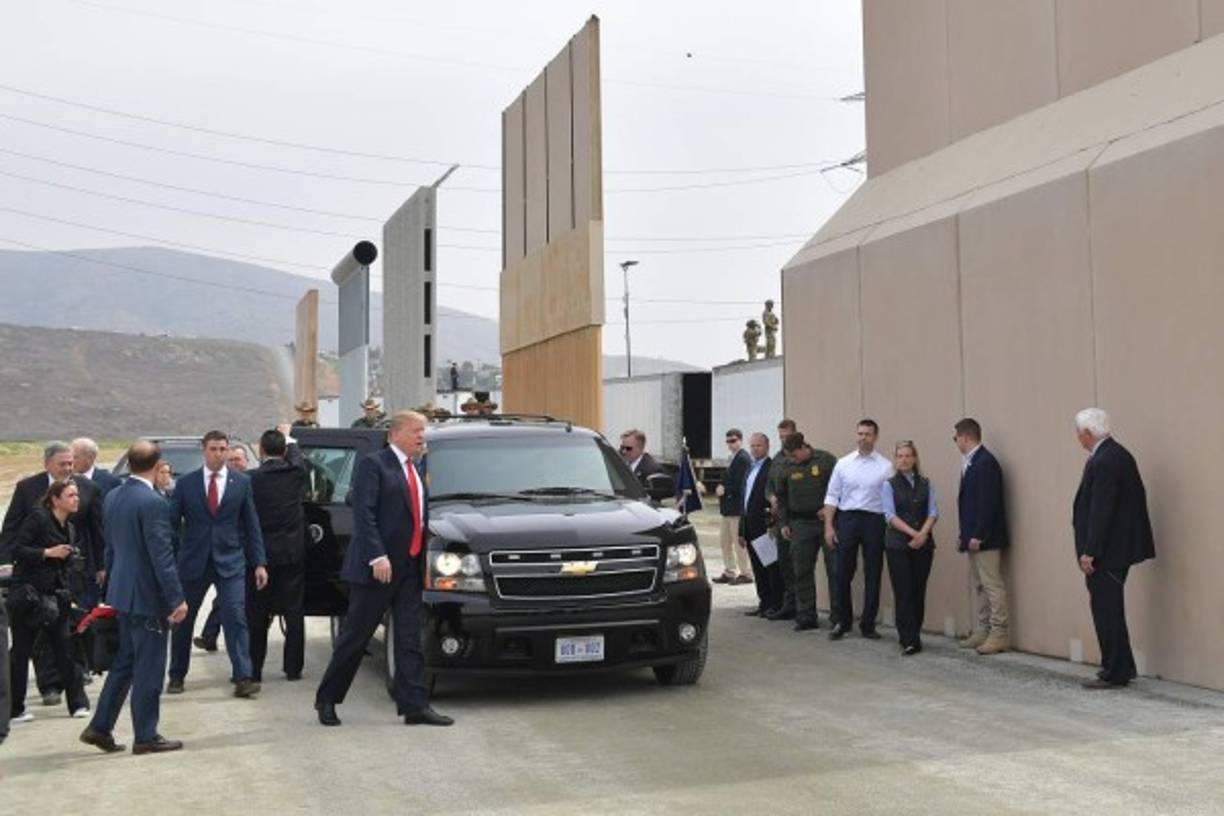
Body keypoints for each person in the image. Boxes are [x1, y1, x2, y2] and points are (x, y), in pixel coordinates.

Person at [315, 410, 452, 727]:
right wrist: (377, 556)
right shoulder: (374, 465)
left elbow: (417, 517)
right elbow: (364, 515)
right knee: (355, 637)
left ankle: (414, 706)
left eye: (423, 431)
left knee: (408, 639)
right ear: (396, 434)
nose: (422, 436)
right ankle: (328, 699)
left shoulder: (416, 467)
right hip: (377, 569)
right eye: (416, 431)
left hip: (409, 567)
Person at [80, 441, 188, 755]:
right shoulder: (153, 502)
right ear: (157, 466)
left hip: (124, 593)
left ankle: (100, 727)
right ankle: (146, 735)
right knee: (150, 668)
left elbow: (110, 548)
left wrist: (110, 589)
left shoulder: (114, 496)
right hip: (148, 597)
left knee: (125, 663)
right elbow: (161, 556)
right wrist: (176, 598)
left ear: (128, 463)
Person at [0, 441, 104, 704]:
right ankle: (50, 685)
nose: (68, 468)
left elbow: (97, 530)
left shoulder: (87, 488)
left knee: (72, 627)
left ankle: (76, 678)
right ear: (47, 464)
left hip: (72, 572)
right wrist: (4, 561)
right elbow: (11, 527)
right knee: (42, 629)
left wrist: (102, 565)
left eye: (71, 463)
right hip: (35, 574)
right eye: (62, 464)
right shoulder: (28, 488)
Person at [167, 431, 267, 698]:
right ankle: (177, 674)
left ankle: (243, 676)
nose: (219, 453)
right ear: (204, 450)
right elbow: (171, 524)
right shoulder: (187, 484)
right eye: (214, 449)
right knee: (183, 621)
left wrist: (259, 562)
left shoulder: (241, 482)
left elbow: (251, 523)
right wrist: (174, 557)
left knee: (235, 616)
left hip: (230, 561)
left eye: (223, 449)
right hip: (193, 562)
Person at [1072, 408, 1155, 690]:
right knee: (1110, 608)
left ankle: (1115, 671)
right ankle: (1122, 665)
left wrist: (1090, 551)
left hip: (1107, 553)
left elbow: (1101, 510)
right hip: (1114, 550)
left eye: (1078, 433)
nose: (1077, 438)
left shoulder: (1106, 460)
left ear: (1087, 433)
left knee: (1106, 610)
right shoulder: (1114, 454)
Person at [7, 480, 91, 723]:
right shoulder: (38, 518)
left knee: (66, 649)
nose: (76, 499)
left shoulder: (70, 528)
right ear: (56, 499)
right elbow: (17, 549)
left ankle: (78, 704)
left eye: (77, 495)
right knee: (21, 653)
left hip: (57, 598)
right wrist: (47, 552)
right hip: (30, 597)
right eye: (71, 495)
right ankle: (14, 709)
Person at [246, 426, 308, 683]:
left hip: (262, 556)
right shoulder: (295, 473)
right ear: (283, 450)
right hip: (292, 553)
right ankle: (293, 669)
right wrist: (290, 436)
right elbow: (297, 457)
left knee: (257, 615)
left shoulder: (252, 478)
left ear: (260, 450)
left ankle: (255, 669)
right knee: (294, 612)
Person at [824, 419, 892, 641]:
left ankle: (868, 624)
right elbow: (832, 496)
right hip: (848, 519)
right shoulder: (843, 464)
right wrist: (829, 527)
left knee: (873, 573)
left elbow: (890, 501)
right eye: (860, 433)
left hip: (874, 520)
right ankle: (842, 621)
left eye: (868, 434)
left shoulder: (886, 466)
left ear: (876, 437)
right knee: (842, 572)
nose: (863, 438)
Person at [953, 418, 1011, 655]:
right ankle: (983, 629)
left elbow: (989, 503)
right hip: (973, 538)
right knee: (980, 585)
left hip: (986, 539)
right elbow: (969, 504)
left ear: (965, 437)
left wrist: (979, 534)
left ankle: (999, 633)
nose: (955, 442)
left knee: (992, 584)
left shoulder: (985, 463)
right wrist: (964, 535)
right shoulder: (971, 462)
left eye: (955, 438)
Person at [775, 433, 838, 631]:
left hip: (826, 522)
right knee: (801, 570)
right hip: (800, 523)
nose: (792, 459)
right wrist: (783, 523)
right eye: (789, 456)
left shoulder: (827, 461)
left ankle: (838, 616)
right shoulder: (786, 465)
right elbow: (781, 496)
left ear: (803, 447)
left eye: (794, 455)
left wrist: (829, 509)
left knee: (834, 570)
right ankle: (806, 615)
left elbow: (840, 489)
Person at [883, 441, 938, 656]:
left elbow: (933, 512)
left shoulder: (926, 483)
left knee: (918, 590)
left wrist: (923, 534)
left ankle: (915, 633)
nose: (904, 459)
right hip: (898, 545)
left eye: (907, 455)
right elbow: (890, 515)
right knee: (903, 591)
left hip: (924, 545)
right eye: (900, 456)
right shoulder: (889, 485)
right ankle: (907, 638)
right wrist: (914, 534)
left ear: (914, 459)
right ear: (895, 460)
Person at [195, 445, 251, 652]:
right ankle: (209, 635)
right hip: (211, 555)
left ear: (247, 462)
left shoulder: (247, 484)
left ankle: (211, 636)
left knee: (232, 605)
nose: (235, 463)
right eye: (232, 460)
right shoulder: (214, 483)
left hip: (239, 553)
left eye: (239, 459)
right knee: (225, 601)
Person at [740, 433, 780, 617]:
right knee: (757, 568)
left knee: (770, 567)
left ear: (767, 446)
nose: (755, 449)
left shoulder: (771, 468)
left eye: (759, 446)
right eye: (753, 446)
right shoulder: (750, 468)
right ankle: (763, 603)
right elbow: (745, 501)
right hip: (749, 526)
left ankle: (775, 604)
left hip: (764, 525)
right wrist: (742, 529)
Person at [764, 419, 799, 620]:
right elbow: (768, 486)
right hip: (781, 520)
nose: (784, 441)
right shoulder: (777, 458)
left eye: (787, 437)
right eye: (781, 437)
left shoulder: (802, 455)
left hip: (799, 518)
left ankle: (802, 607)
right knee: (784, 564)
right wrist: (772, 497)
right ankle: (788, 604)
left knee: (800, 566)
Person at [713, 429, 753, 585]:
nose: (730, 444)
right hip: (728, 508)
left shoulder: (743, 459)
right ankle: (729, 571)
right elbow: (727, 479)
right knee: (724, 541)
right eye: (728, 441)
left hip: (736, 508)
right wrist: (721, 485)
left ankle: (746, 573)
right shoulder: (732, 458)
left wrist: (725, 489)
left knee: (738, 543)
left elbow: (742, 484)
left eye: (733, 440)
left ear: (741, 440)